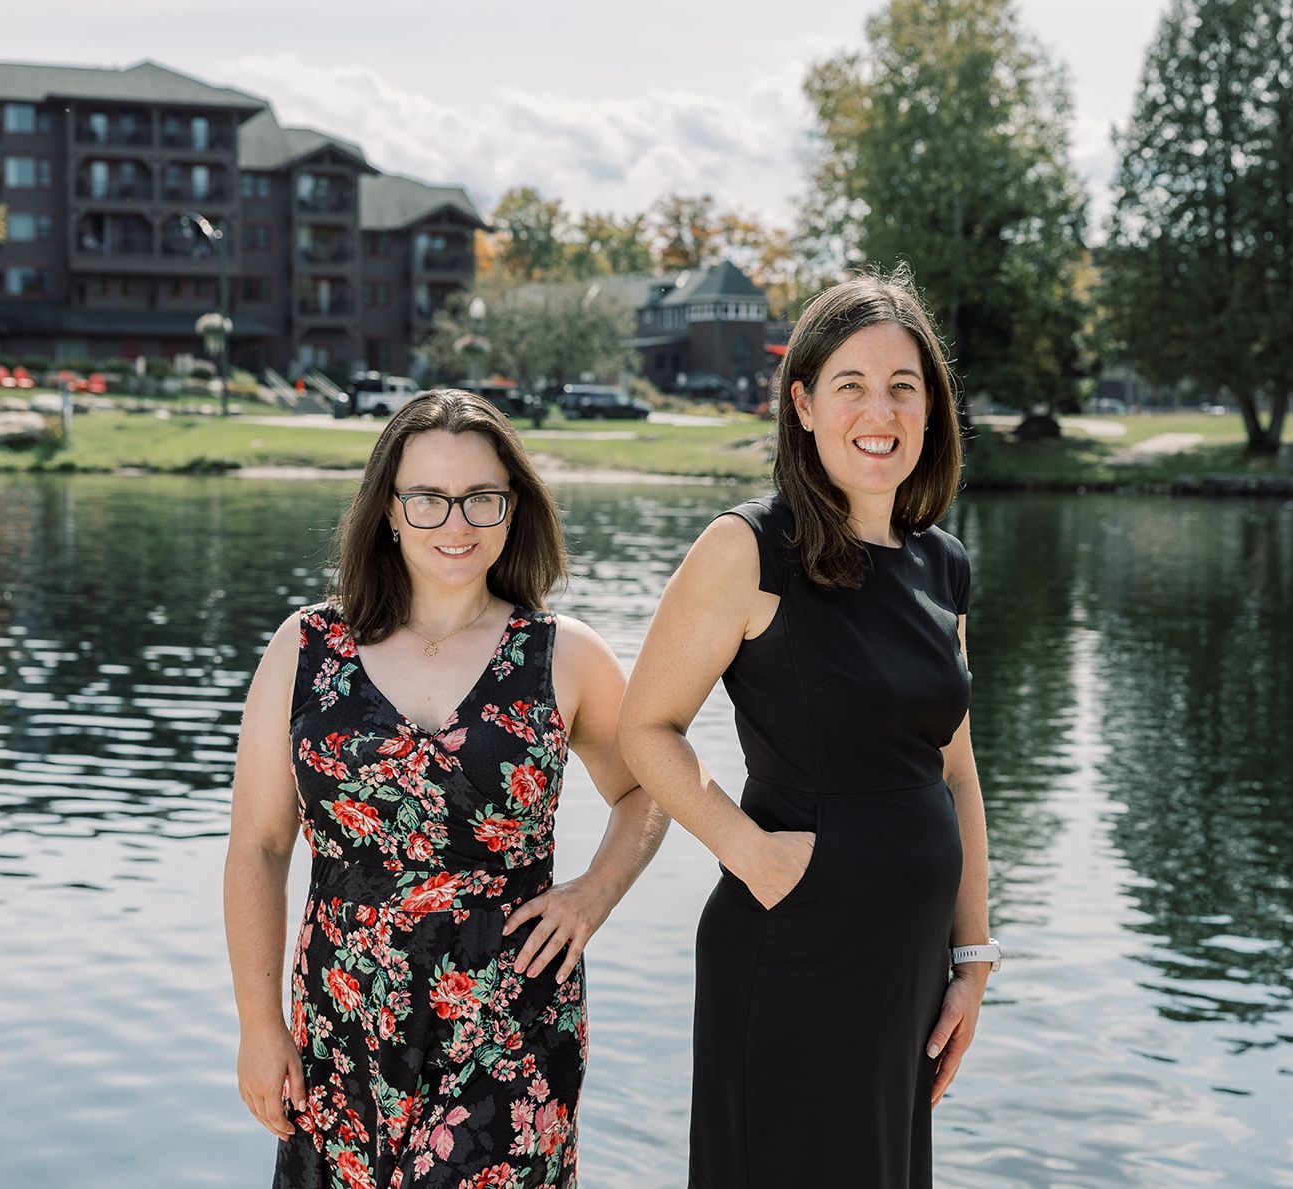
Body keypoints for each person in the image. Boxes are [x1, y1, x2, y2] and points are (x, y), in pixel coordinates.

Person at [225, 390, 665, 1188]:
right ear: (388, 510)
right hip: (341, 1026)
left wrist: (593, 894)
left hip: (511, 1026)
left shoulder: (560, 655)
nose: (455, 523)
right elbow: (258, 846)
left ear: (513, 508)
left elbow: (649, 788)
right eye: (428, 498)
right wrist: (260, 1024)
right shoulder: (305, 648)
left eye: (481, 498)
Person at [618, 270, 997, 1188]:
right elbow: (646, 727)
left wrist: (973, 955)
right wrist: (750, 853)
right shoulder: (747, 548)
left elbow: (955, 771)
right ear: (803, 404)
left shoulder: (940, 566)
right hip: (791, 956)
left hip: (906, 967)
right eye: (851, 385)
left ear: (930, 410)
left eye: (903, 386)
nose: (881, 410)